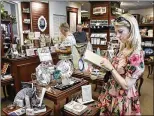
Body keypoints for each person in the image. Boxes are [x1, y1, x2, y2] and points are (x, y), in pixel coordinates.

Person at [97, 13, 144, 115]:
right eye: (116, 32)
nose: (117, 36)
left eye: (120, 32)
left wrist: (111, 68)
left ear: (131, 31)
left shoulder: (136, 54)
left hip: (122, 97)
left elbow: (127, 85)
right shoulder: (123, 46)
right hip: (112, 92)